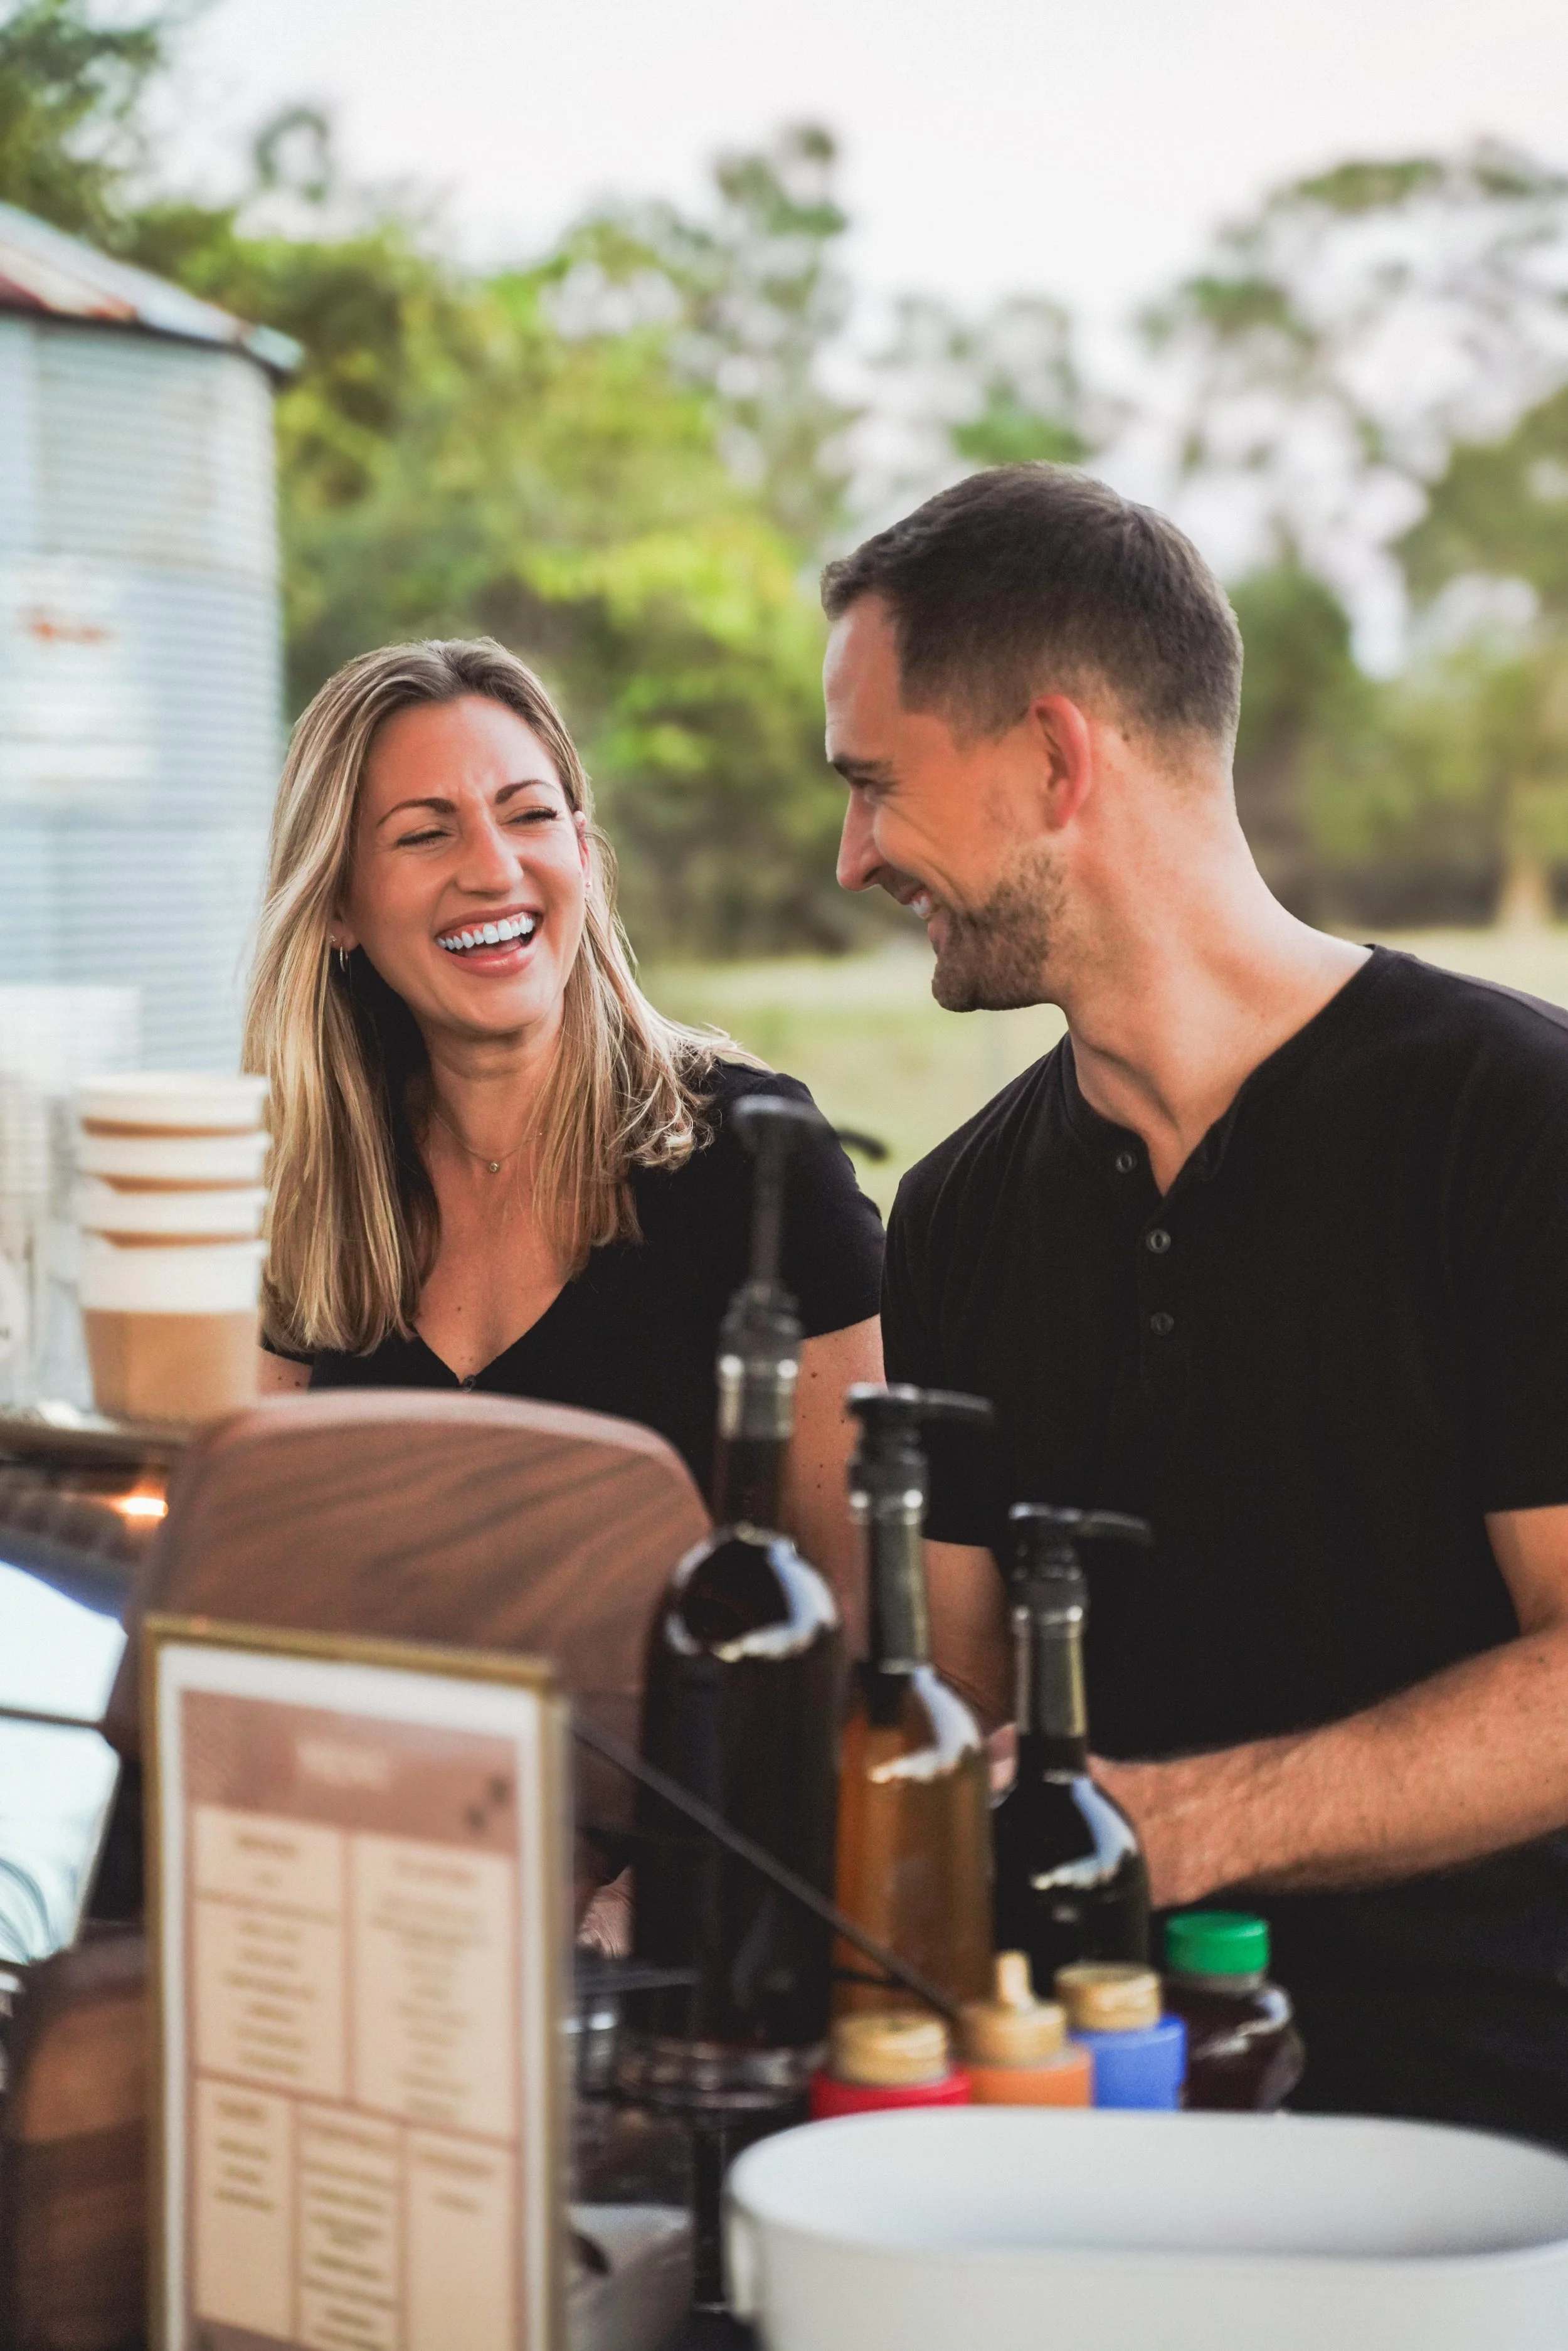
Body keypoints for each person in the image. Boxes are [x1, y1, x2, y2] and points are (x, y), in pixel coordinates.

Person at [821, 463, 1568, 2147]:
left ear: (1055, 757)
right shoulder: (948, 1215)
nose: (853, 852)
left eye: (875, 784)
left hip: (1488, 2144)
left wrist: (1178, 1822)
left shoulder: (1510, 1125)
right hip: (1080, 2122)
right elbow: (975, 1733)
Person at [247, 636, 883, 1601]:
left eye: (530, 816)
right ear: (337, 904)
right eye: (426, 834)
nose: (493, 870)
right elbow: (258, 1582)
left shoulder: (757, 1166)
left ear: (582, 857)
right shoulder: (310, 1193)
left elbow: (859, 1633)